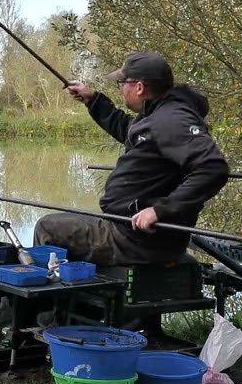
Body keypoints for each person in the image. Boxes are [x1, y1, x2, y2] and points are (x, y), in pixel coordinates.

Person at [34, 50, 230, 265]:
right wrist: (93, 100)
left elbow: (213, 168)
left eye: (122, 83)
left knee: (48, 228)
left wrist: (159, 211)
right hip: (139, 233)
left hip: (135, 240)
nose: (121, 88)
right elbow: (131, 131)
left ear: (139, 87)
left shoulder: (170, 120)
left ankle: (44, 295)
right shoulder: (158, 114)